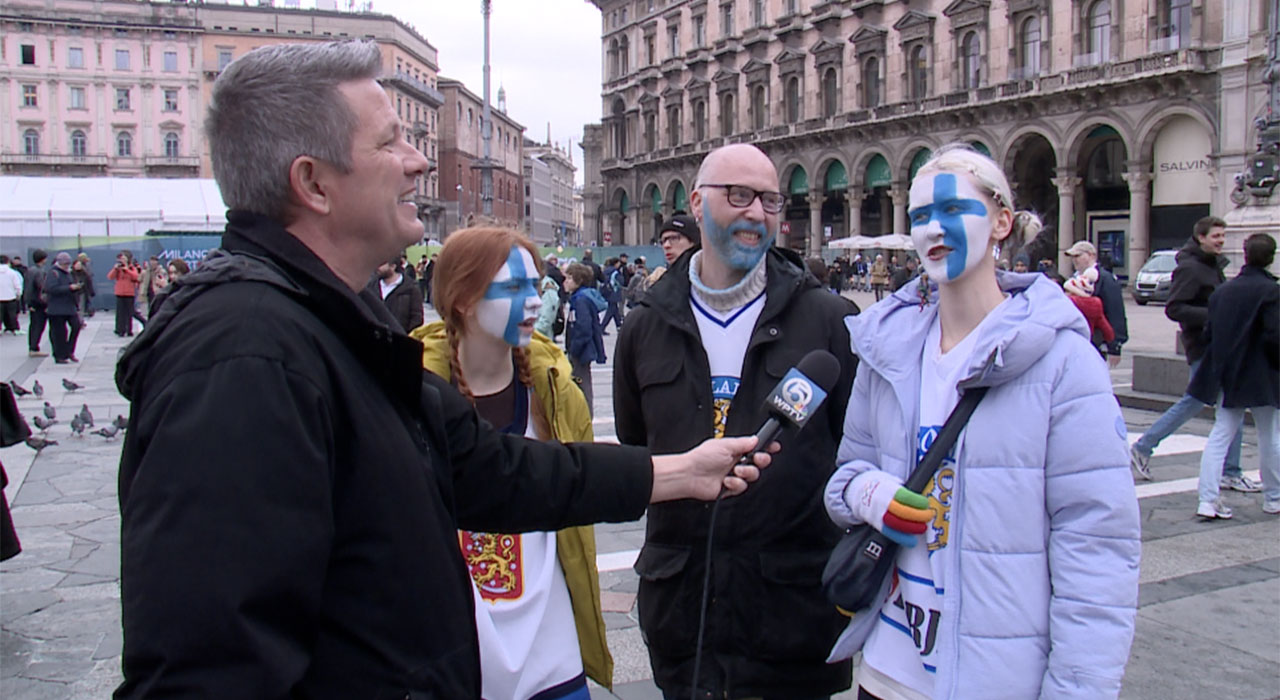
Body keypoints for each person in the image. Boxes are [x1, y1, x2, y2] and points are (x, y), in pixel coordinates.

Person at [114, 41, 772, 700]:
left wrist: (681, 472)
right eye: (389, 142)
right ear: (313, 183)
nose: (419, 160)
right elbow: (207, 668)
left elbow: (495, 470)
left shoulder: (330, 328)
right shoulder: (242, 355)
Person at [823, 144, 1139, 699]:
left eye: (952, 210)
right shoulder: (885, 352)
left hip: (992, 679)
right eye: (921, 215)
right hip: (885, 671)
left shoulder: (1063, 362)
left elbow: (1096, 545)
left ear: (1001, 222)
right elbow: (845, 478)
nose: (933, 229)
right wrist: (872, 495)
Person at [614, 143, 860, 700]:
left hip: (791, 622)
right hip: (684, 620)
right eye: (740, 195)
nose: (756, 213)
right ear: (697, 202)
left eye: (770, 200)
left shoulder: (828, 321)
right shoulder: (646, 326)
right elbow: (637, 444)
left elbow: (855, 450)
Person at [410, 226, 614, 700]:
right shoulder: (412, 392)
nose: (534, 301)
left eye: (536, 285)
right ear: (462, 299)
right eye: (513, 287)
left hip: (549, 642)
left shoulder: (554, 389)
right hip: (455, 641)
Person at [1129, 217, 1256, 490]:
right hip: (1204, 345)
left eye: (1223, 236)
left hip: (1216, 345)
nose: (1221, 241)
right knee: (1200, 401)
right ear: (1201, 237)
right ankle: (1144, 446)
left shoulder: (1210, 265)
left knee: (1228, 405)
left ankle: (1230, 470)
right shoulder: (1191, 268)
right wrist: (1216, 315)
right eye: (1216, 236)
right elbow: (1175, 308)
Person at [1186, 233, 1279, 519]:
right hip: (1263, 373)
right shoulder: (1272, 291)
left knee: (1221, 433)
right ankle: (1274, 497)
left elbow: (1209, 333)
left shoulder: (1222, 292)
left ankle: (1207, 499)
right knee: (1269, 435)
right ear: (1271, 258)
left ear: (1245, 255)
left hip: (1228, 372)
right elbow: (1275, 335)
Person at [1064, 240, 1128, 367]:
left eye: (1078, 256)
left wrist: (1115, 346)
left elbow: (1115, 312)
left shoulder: (1105, 279)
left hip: (1096, 342)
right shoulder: (1075, 279)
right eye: (1072, 257)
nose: (1074, 260)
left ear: (1091, 255)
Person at [563, 262, 606, 414]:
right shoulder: (579, 298)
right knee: (580, 382)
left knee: (581, 384)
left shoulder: (580, 300)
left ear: (579, 280)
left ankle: (585, 415)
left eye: (569, 278)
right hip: (581, 349)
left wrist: (574, 348)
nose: (565, 282)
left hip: (581, 351)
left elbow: (584, 327)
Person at [366, 256, 424, 332]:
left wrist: (406, 335)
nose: (377, 267)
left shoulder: (410, 288)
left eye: (381, 264)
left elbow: (417, 317)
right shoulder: (371, 286)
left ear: (393, 266)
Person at [44, 252, 82, 364]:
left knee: (76, 326)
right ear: (59, 263)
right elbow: (51, 289)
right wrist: (69, 288)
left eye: (68, 264)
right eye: (65, 264)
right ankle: (60, 355)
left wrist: (76, 288)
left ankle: (69, 350)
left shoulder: (68, 273)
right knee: (59, 333)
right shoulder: (53, 273)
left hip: (69, 306)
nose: (67, 266)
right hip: (56, 308)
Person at [108, 251, 141, 337]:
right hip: (120, 293)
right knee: (120, 313)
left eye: (123, 258)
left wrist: (126, 270)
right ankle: (120, 330)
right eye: (121, 258)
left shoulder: (131, 268)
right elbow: (110, 277)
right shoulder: (118, 268)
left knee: (129, 313)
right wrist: (115, 269)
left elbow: (136, 276)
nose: (122, 260)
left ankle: (129, 329)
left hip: (129, 293)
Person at [23, 250, 49, 357]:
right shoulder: (39, 272)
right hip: (39, 302)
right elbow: (41, 287)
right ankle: (34, 348)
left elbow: (27, 288)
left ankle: (32, 347)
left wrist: (28, 303)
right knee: (39, 325)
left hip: (32, 301)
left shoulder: (30, 271)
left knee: (33, 325)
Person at [600, 257, 625, 333]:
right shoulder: (615, 272)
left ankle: (619, 326)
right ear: (616, 263)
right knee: (611, 310)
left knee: (614, 310)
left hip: (607, 291)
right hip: (614, 292)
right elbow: (621, 281)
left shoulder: (606, 270)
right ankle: (602, 327)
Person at [0, 255, 21, 334]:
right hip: (11, 296)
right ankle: (14, 329)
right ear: (8, 262)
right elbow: (17, 285)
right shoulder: (12, 272)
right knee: (12, 315)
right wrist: (18, 294)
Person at [72, 253, 96, 318]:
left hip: (82, 291)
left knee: (81, 307)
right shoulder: (71, 273)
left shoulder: (85, 273)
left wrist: (91, 291)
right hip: (73, 293)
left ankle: (80, 320)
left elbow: (88, 281)